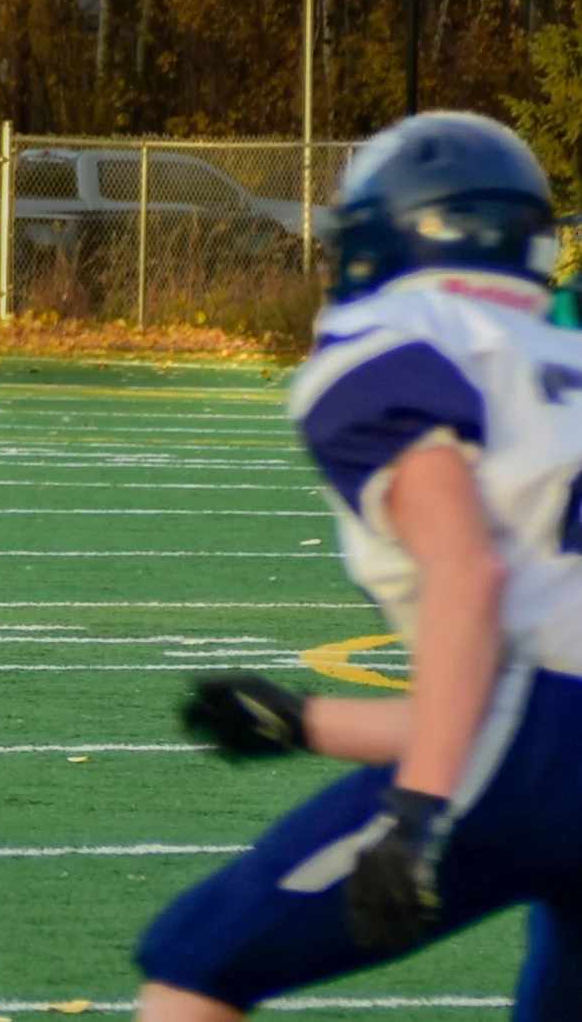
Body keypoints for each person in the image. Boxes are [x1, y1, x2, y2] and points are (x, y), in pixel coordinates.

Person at [136, 112, 582, 1021]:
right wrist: (309, 722)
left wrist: (417, 812)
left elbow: (473, 586)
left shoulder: (397, 340)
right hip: (544, 731)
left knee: (196, 962)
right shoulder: (563, 352)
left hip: (531, 743)